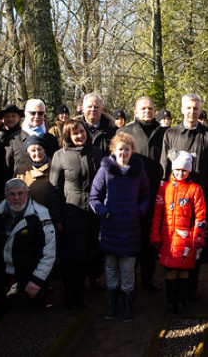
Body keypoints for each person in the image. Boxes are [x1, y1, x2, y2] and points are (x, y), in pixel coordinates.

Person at [159, 93, 208, 301]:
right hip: (175, 205)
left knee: (196, 247)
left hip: (199, 202)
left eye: (196, 108)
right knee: (174, 247)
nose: (192, 112)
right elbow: (163, 168)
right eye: (188, 108)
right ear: (182, 108)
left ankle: (190, 291)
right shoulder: (170, 134)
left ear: (200, 109)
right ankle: (173, 296)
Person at [89, 132, 150, 322]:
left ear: (132, 151)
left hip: (131, 229)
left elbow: (146, 195)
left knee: (128, 269)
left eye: (127, 150)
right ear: (113, 151)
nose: (123, 153)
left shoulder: (138, 170)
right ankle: (112, 303)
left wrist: (139, 211)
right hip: (110, 228)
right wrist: (104, 212)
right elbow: (94, 197)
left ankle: (128, 304)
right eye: (120, 150)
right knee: (111, 268)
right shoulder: (105, 170)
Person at [50, 119, 104, 309]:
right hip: (70, 214)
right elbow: (54, 188)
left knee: (86, 256)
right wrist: (57, 217)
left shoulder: (97, 153)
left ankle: (80, 294)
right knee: (70, 258)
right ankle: (68, 293)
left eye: (82, 131)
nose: (80, 135)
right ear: (68, 136)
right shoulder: (60, 156)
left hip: (92, 215)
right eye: (75, 133)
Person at [0, 179, 56, 317]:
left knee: (37, 297)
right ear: (5, 195)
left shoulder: (41, 214)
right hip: (4, 266)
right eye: (12, 194)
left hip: (30, 267)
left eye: (20, 194)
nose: (16, 198)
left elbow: (49, 252)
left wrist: (37, 279)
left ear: (27, 194)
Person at [119, 96, 167, 292]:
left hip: (157, 192)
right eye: (143, 108)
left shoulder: (165, 132)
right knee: (131, 238)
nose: (147, 111)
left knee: (150, 240)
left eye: (150, 108)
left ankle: (148, 278)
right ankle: (129, 281)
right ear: (135, 111)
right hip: (132, 194)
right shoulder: (125, 132)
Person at [151, 151, 207, 314]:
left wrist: (197, 236)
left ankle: (182, 303)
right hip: (167, 238)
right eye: (177, 170)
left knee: (183, 271)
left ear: (189, 171)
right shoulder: (164, 188)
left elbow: (201, 215)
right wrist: (154, 235)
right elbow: (157, 214)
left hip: (186, 240)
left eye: (184, 170)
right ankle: (170, 303)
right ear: (172, 169)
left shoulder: (195, 189)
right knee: (170, 270)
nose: (180, 173)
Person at [7, 99, 60, 174]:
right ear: (25, 114)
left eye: (40, 113)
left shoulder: (52, 140)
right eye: (33, 113)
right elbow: (7, 169)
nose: (36, 116)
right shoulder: (13, 140)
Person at [15, 135, 59, 212]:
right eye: (33, 151)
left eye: (39, 149)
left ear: (44, 150)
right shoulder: (21, 171)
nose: (37, 153)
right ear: (27, 153)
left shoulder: (55, 166)